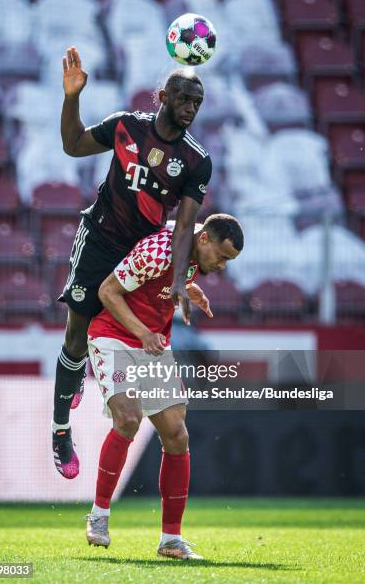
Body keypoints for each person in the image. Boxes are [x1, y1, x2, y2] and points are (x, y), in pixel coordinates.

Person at [53, 46, 213, 478]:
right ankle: (60, 430)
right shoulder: (126, 126)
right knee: (75, 335)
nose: (190, 109)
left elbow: (183, 228)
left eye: (197, 103)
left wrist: (179, 279)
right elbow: (72, 145)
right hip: (99, 240)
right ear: (162, 96)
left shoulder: (196, 161)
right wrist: (72, 97)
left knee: (122, 337)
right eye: (184, 99)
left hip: (139, 257)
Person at [85, 214, 244, 560]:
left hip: (153, 345)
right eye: (222, 256)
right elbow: (108, 291)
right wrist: (142, 333)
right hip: (114, 338)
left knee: (177, 435)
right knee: (127, 420)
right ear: (204, 240)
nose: (221, 265)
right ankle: (98, 517)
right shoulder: (159, 251)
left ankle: (170, 541)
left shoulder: (191, 249)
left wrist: (187, 288)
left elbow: (161, 274)